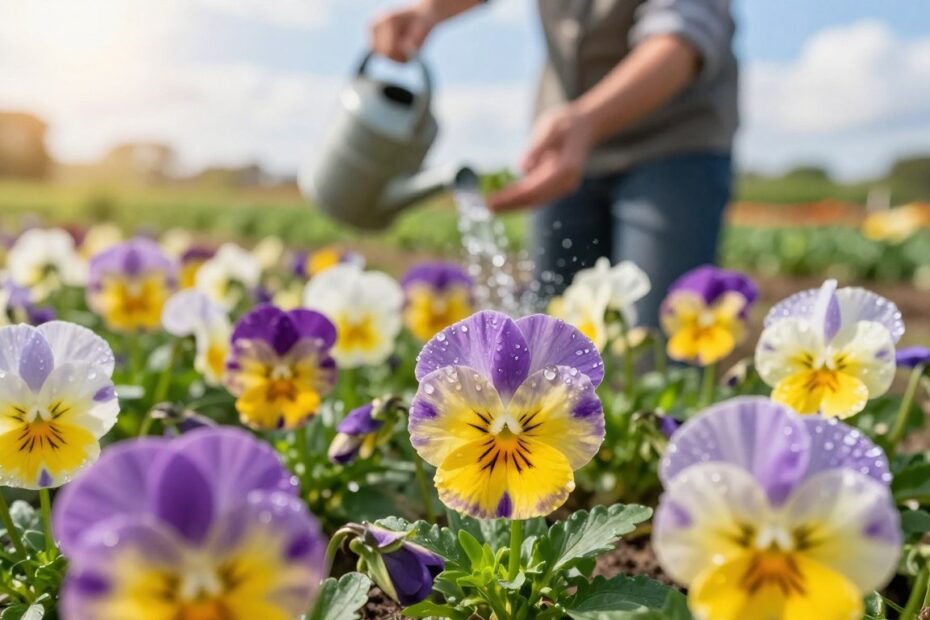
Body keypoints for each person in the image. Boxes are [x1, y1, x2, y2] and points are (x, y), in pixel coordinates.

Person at [371, 0, 737, 325]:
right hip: (563, 139)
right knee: (552, 326)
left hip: (672, 143)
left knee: (654, 327)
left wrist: (589, 120)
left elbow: (682, 35)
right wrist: (430, 9)